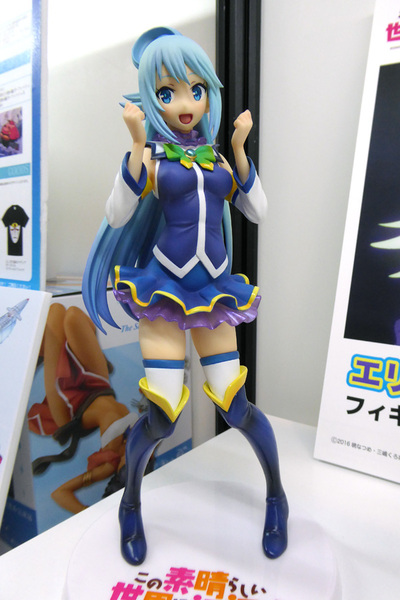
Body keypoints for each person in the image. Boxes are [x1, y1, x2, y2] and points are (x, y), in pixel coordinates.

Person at [83, 27, 288, 564]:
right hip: (165, 294)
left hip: (213, 293)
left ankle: (276, 495)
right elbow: (117, 215)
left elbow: (259, 211)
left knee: (236, 406)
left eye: (196, 90)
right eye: (169, 92)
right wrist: (135, 145)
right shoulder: (153, 157)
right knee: (162, 416)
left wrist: (239, 149)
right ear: (152, 97)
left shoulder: (218, 160)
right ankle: (130, 502)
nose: (185, 103)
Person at [28, 303, 140, 513]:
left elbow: (59, 493)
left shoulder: (108, 466)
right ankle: (43, 351)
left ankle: (35, 356)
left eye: (128, 469)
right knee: (74, 317)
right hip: (98, 386)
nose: (135, 463)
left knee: (55, 312)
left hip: (69, 410)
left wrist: (89, 515)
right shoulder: (143, 447)